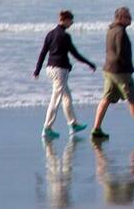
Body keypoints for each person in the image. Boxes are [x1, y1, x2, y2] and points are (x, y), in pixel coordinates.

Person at [92, 6, 134, 140]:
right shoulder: (120, 32)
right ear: (121, 18)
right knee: (132, 99)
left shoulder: (111, 30)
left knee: (106, 99)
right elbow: (120, 53)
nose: (130, 18)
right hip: (120, 71)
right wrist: (128, 68)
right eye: (128, 16)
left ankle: (96, 129)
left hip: (109, 69)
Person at [35, 10, 95, 140]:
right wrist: (89, 63)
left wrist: (37, 70)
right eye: (71, 20)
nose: (72, 23)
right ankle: (47, 128)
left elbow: (43, 53)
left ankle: (73, 124)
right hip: (60, 71)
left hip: (50, 69)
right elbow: (75, 54)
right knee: (56, 99)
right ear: (65, 20)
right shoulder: (64, 36)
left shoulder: (50, 34)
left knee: (67, 96)